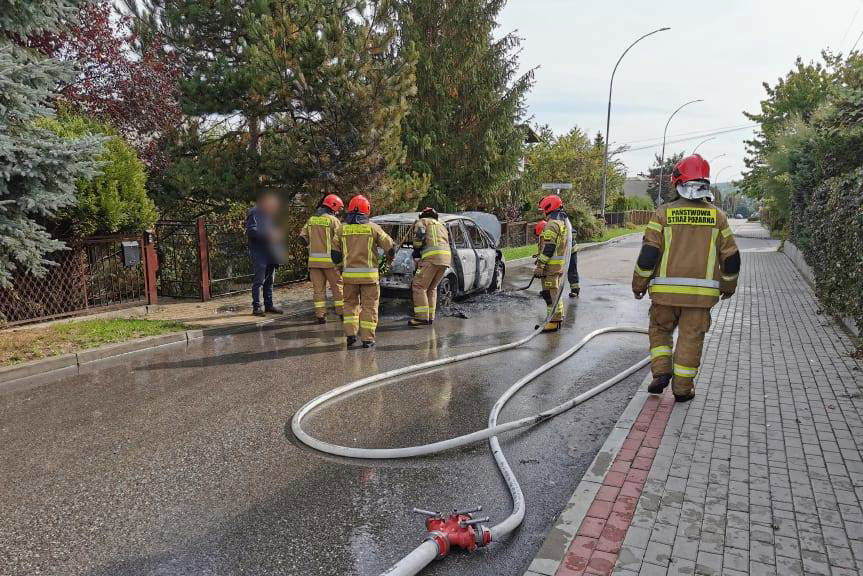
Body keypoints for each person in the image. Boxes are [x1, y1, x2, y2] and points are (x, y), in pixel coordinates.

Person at [632, 154, 740, 402]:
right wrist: (728, 286)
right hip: (700, 299)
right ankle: (682, 390)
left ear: (677, 181)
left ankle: (661, 372)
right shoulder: (718, 217)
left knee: (660, 331)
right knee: (690, 340)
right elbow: (732, 258)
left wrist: (639, 284)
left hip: (664, 296)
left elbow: (648, 255)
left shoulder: (663, 214)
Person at [331, 195, 394, 348]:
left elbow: (334, 254)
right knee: (369, 306)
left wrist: (339, 267)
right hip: (369, 278)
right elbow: (389, 246)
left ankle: (351, 336)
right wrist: (390, 258)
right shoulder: (373, 228)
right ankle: (368, 339)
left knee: (350, 305)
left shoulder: (341, 229)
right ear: (367, 210)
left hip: (349, 277)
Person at [300, 194, 344, 323]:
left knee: (318, 290)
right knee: (337, 288)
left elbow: (302, 238)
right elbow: (341, 240)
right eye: (338, 208)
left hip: (314, 263)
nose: (338, 211)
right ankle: (342, 313)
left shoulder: (311, 220)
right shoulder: (333, 221)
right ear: (333, 206)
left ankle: (320, 316)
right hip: (331, 263)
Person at [533, 195, 574, 332]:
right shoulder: (562, 224)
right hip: (558, 266)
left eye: (543, 209)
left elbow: (549, 248)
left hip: (550, 267)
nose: (543, 212)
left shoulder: (552, 225)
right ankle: (554, 318)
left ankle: (554, 321)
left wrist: (540, 265)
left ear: (548, 207)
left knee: (551, 294)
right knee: (552, 293)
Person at [408, 207, 451, 327]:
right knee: (432, 288)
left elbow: (419, 235)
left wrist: (416, 254)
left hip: (431, 258)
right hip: (445, 259)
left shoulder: (423, 222)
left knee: (418, 286)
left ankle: (421, 318)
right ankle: (430, 317)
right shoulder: (441, 225)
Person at [246, 192, 284, 317]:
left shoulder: (268, 214)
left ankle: (269, 305)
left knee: (270, 280)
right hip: (259, 252)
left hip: (270, 251)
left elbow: (270, 230)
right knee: (259, 281)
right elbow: (251, 230)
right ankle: (257, 307)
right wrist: (268, 234)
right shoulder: (254, 212)